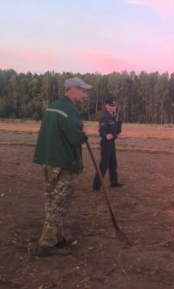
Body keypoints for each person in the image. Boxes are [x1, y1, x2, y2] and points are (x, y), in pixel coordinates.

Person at [32, 77, 92, 257]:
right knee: (60, 204)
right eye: (83, 91)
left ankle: (57, 237)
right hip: (63, 163)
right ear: (73, 90)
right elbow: (75, 138)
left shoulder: (52, 106)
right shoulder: (70, 110)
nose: (85, 95)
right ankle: (47, 244)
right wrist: (83, 132)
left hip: (48, 161)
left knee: (52, 201)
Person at [92, 95, 124, 192]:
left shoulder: (114, 117)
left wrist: (118, 134)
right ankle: (96, 186)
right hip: (106, 143)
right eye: (112, 105)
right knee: (103, 165)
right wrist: (106, 135)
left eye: (115, 106)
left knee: (113, 163)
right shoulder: (104, 117)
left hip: (112, 143)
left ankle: (114, 182)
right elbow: (102, 130)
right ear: (107, 106)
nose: (114, 107)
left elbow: (115, 131)